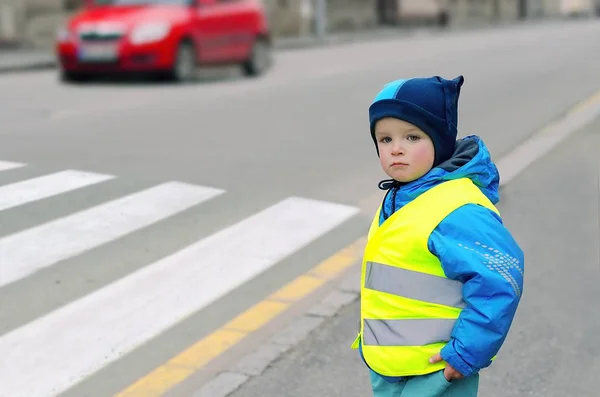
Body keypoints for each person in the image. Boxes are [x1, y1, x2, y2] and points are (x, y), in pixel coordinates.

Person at [351, 75, 525, 397]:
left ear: (440, 141)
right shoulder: (400, 196)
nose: (397, 149)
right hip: (391, 370)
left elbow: (500, 279)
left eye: (412, 137)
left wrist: (467, 353)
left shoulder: (457, 209)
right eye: (385, 139)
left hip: (436, 372)